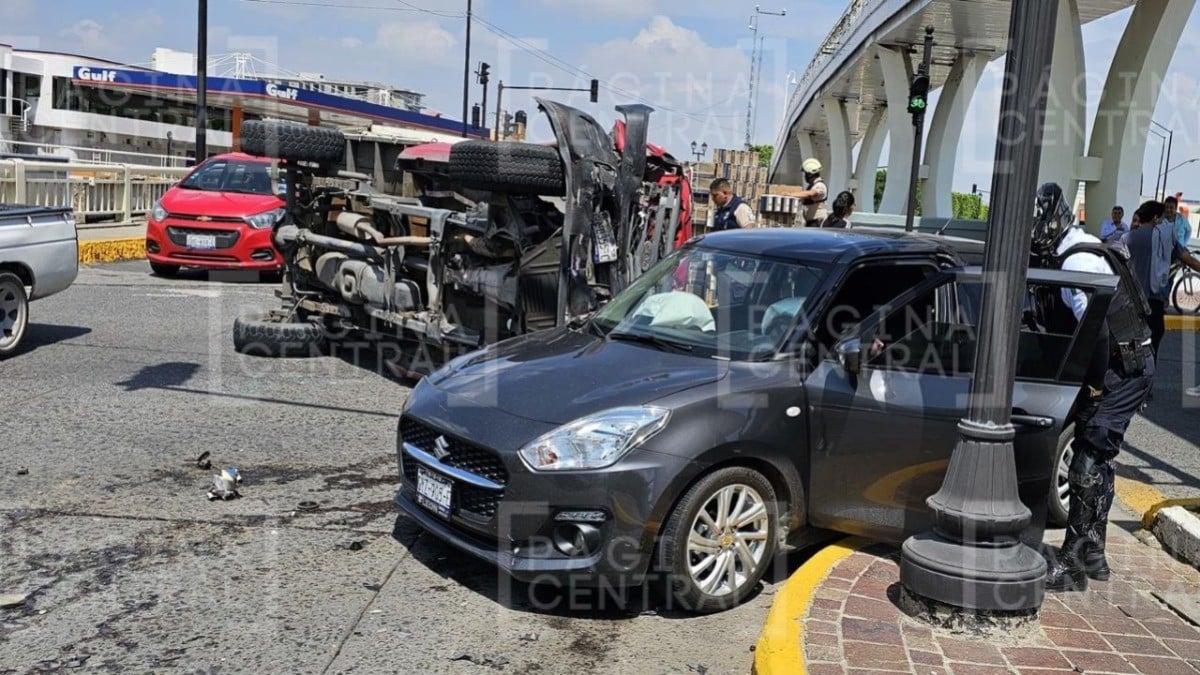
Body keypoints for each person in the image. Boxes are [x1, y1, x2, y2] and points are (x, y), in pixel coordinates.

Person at [1030, 184, 1156, 593]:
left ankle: (1072, 564)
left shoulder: (1077, 260)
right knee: (1099, 454)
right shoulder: (1080, 247)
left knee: (1087, 458)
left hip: (1121, 367)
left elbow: (1096, 330)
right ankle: (1094, 556)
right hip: (1131, 363)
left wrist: (1095, 387)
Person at [1125, 199, 1200, 360]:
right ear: (1155, 218)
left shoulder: (1126, 238)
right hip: (1153, 302)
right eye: (1161, 218)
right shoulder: (1166, 238)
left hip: (1130, 302)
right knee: (1152, 348)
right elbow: (1188, 259)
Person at [794, 158, 828, 227]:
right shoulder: (812, 186)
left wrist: (789, 194)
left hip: (817, 222)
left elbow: (811, 193)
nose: (805, 176)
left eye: (806, 174)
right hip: (811, 222)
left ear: (810, 174)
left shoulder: (820, 185)